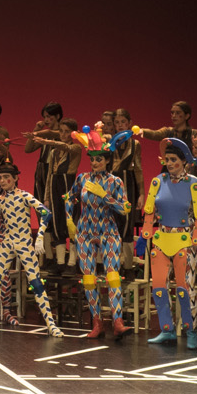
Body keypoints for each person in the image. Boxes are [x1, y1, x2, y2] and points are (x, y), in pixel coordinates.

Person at [0, 162, 63, 336]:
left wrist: (40, 236)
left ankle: (51, 324)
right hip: (7, 242)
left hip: (24, 243)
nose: (2, 181)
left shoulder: (24, 196)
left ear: (15, 178)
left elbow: (46, 213)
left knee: (36, 283)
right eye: (0, 178)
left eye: (6, 177)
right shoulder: (0, 199)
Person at [65, 127, 133, 339]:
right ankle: (97, 322)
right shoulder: (82, 178)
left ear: (107, 160)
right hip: (85, 233)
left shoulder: (115, 181)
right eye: (92, 159)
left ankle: (118, 322)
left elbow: (124, 209)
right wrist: (69, 220)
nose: (94, 163)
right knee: (89, 279)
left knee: (113, 277)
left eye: (99, 159)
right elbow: (69, 198)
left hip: (108, 232)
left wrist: (105, 196)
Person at [142, 138, 197, 349]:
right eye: (166, 159)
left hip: (184, 240)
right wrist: (145, 234)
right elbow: (149, 210)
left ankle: (191, 330)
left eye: (173, 159)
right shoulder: (158, 181)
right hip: (161, 239)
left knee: (184, 289)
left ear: (184, 160)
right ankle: (167, 329)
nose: (169, 163)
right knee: (159, 287)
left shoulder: (194, 183)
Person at [28, 118, 83, 275]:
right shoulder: (53, 152)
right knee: (57, 225)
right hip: (54, 187)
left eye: (67, 132)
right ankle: (60, 262)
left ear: (74, 134)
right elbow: (50, 176)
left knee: (71, 224)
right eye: (61, 131)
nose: (63, 135)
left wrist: (46, 140)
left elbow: (66, 146)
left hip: (69, 186)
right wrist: (47, 197)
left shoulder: (76, 148)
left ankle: (72, 263)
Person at [111, 109, 145, 269]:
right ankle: (112, 265)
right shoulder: (108, 141)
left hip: (128, 184)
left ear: (129, 123)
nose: (120, 125)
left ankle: (128, 265)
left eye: (123, 122)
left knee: (127, 224)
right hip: (111, 185)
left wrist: (141, 193)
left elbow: (138, 169)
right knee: (112, 223)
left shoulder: (134, 144)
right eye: (117, 122)